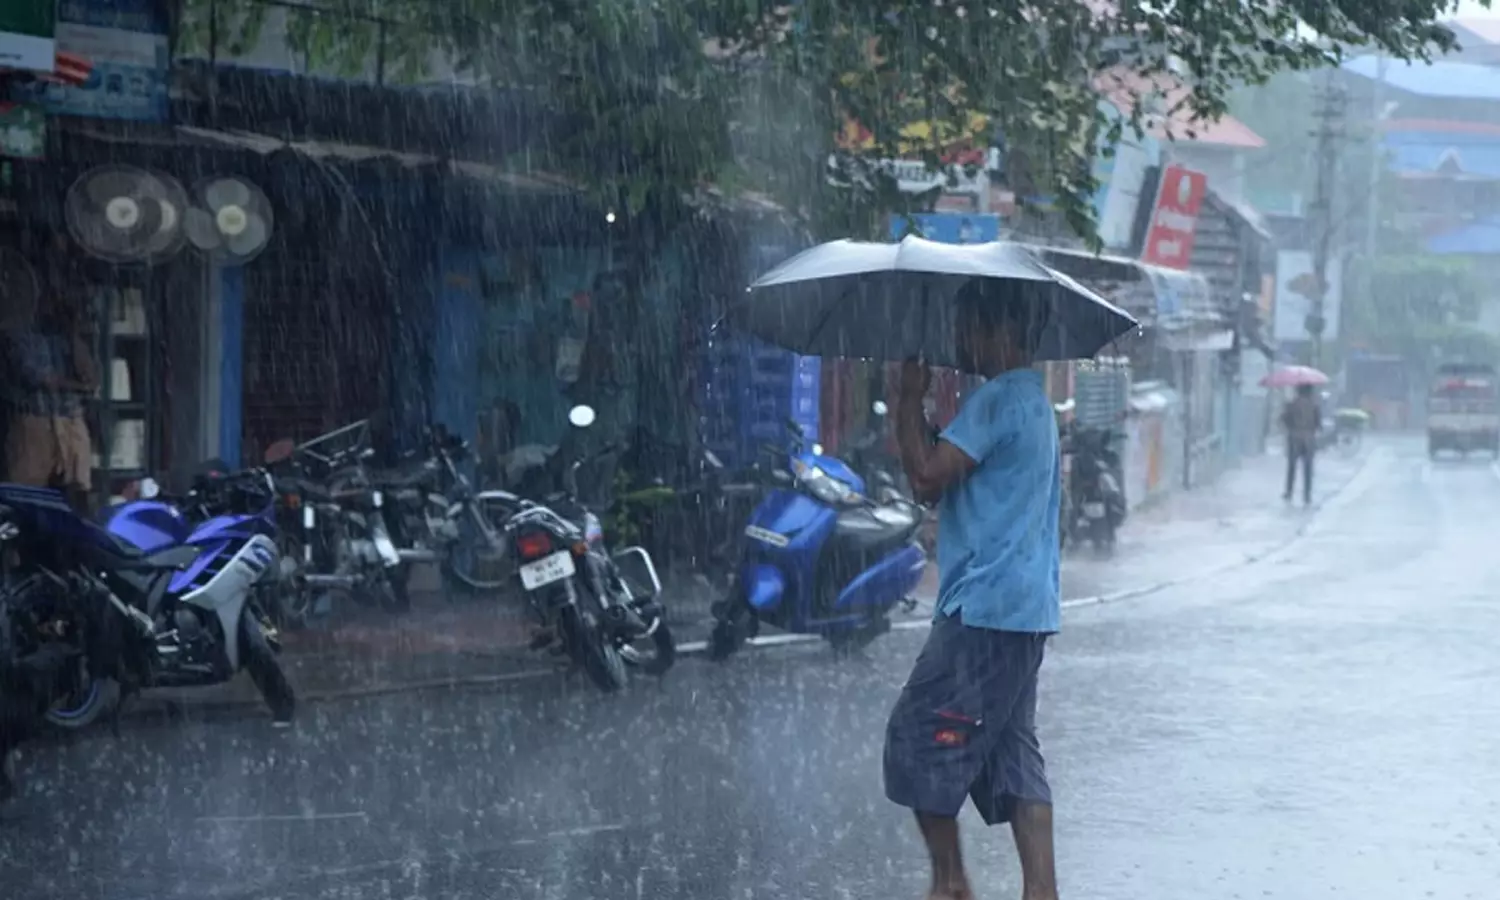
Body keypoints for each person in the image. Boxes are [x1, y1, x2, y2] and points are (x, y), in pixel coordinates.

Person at [884, 280, 1062, 900]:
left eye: (968, 326)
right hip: (1026, 609)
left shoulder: (996, 400)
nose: (958, 340)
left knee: (919, 736)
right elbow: (933, 471)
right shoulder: (1033, 403)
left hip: (983, 608)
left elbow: (926, 479)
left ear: (1001, 331)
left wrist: (907, 399)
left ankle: (950, 881)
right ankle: (1042, 891)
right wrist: (922, 419)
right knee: (1012, 750)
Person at [0, 287, 97, 511]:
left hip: (70, 418)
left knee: (77, 487)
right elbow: (39, 377)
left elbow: (91, 378)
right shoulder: (22, 336)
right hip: (37, 419)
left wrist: (74, 336)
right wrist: (76, 386)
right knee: (29, 488)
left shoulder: (66, 341)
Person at [1281, 383, 1320, 505]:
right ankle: (1307, 495)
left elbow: (1286, 420)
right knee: (1308, 468)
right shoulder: (1314, 405)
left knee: (1292, 467)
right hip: (1308, 439)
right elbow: (1318, 423)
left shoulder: (1292, 404)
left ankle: (1289, 492)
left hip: (1294, 438)